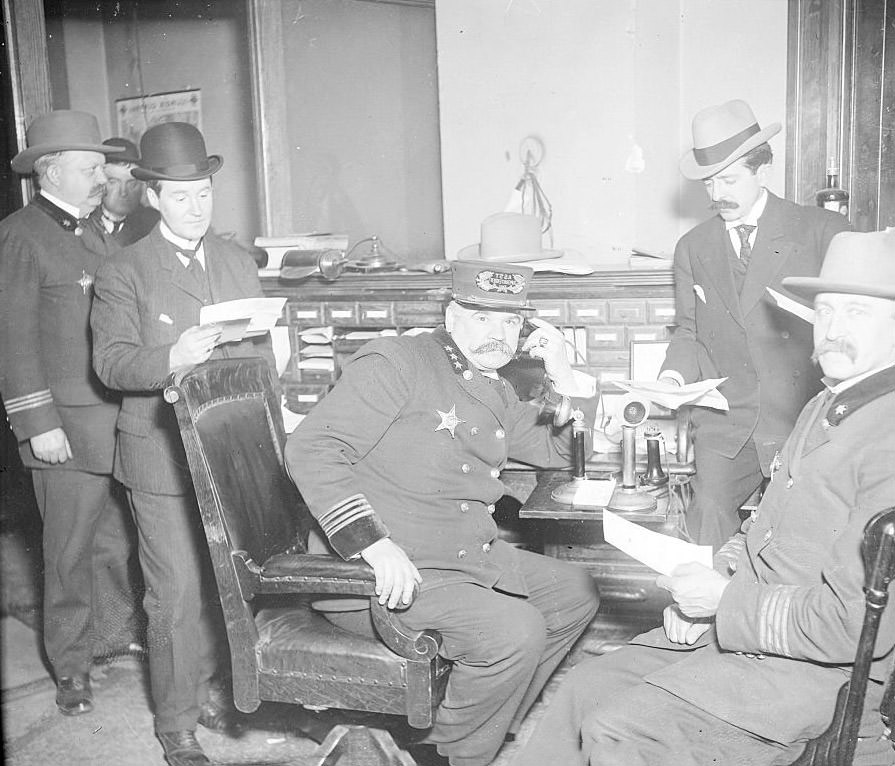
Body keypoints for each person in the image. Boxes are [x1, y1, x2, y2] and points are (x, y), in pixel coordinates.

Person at [512, 228, 895, 766]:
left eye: (857, 313)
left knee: (620, 730)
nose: (832, 330)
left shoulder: (886, 439)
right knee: (584, 690)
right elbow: (764, 527)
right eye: (826, 312)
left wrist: (723, 605)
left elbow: (854, 630)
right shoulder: (826, 405)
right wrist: (716, 584)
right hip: (753, 640)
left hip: (816, 676)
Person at [286, 259, 601, 766]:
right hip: (378, 571)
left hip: (458, 557)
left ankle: (470, 727)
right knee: (514, 631)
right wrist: (372, 542)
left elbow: (560, 451)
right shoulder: (398, 361)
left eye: (510, 321)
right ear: (452, 316)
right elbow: (312, 447)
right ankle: (452, 756)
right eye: (482, 317)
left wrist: (565, 377)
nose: (497, 333)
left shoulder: (492, 385)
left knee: (574, 592)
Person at [90, 121, 277, 766]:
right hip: (160, 455)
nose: (195, 207)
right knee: (173, 594)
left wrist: (276, 347)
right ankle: (175, 723)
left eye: (204, 193)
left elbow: (255, 350)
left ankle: (223, 690)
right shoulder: (124, 271)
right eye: (180, 195)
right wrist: (172, 354)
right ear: (152, 198)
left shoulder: (234, 259)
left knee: (230, 580)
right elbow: (111, 364)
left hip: (229, 449)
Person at [659, 99, 850, 548]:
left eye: (729, 179)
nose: (716, 193)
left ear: (762, 171)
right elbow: (688, 331)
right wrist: (671, 376)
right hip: (729, 424)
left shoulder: (823, 230)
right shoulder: (692, 247)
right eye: (709, 182)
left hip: (801, 417)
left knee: (797, 542)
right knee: (704, 521)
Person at [0, 110, 136, 717]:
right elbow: (11, 338)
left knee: (113, 544)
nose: (101, 180)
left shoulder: (98, 235)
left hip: (115, 421)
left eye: (102, 170)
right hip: (63, 428)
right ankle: (72, 671)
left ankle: (107, 639)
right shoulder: (21, 235)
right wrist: (37, 424)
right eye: (89, 169)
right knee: (68, 553)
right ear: (50, 170)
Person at [86, 137, 159, 247]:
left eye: (131, 183)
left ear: (142, 186)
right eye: (113, 182)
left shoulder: (154, 225)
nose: (123, 192)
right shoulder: (83, 222)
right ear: (99, 182)